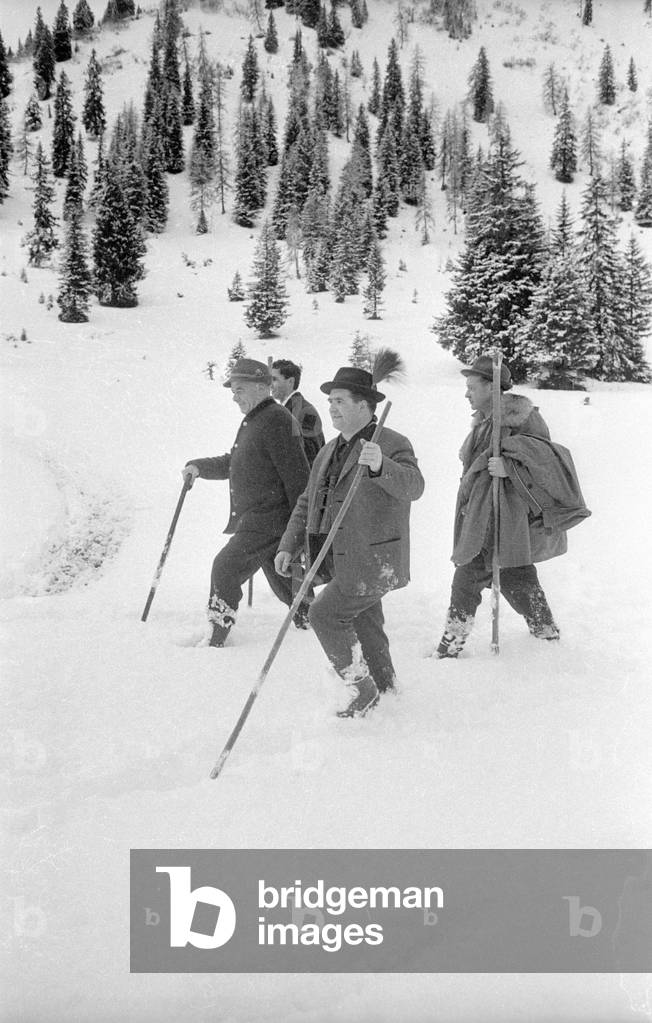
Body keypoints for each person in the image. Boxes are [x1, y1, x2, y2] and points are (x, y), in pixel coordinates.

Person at [275, 365, 425, 718]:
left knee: (324, 615)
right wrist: (288, 544)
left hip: (373, 559)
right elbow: (307, 501)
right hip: (341, 558)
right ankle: (385, 685)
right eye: (330, 401)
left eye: (340, 401)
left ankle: (362, 689)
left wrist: (380, 467)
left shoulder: (391, 443)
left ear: (364, 405)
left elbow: (414, 487)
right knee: (365, 621)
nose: (332, 407)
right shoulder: (329, 450)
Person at [434, 355, 591, 658]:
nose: (466, 393)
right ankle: (545, 633)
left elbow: (546, 462)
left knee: (480, 576)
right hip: (485, 517)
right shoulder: (484, 424)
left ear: (492, 388)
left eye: (471, 387)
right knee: (511, 575)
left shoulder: (522, 418)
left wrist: (509, 467)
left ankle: (451, 646)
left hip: (508, 519)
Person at [182, 358, 311, 647]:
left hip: (268, 520)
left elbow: (299, 478)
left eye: (239, 389)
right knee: (287, 585)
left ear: (261, 387)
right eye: (233, 390)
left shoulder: (276, 420)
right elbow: (235, 463)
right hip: (261, 520)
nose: (234, 396)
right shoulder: (256, 420)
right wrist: (199, 467)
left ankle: (216, 635)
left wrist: (298, 531)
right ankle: (314, 622)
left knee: (225, 567)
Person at [270, 359, 325, 466]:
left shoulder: (305, 411)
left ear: (290, 381)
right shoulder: (284, 410)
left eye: (274, 379)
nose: (270, 385)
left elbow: (309, 457)